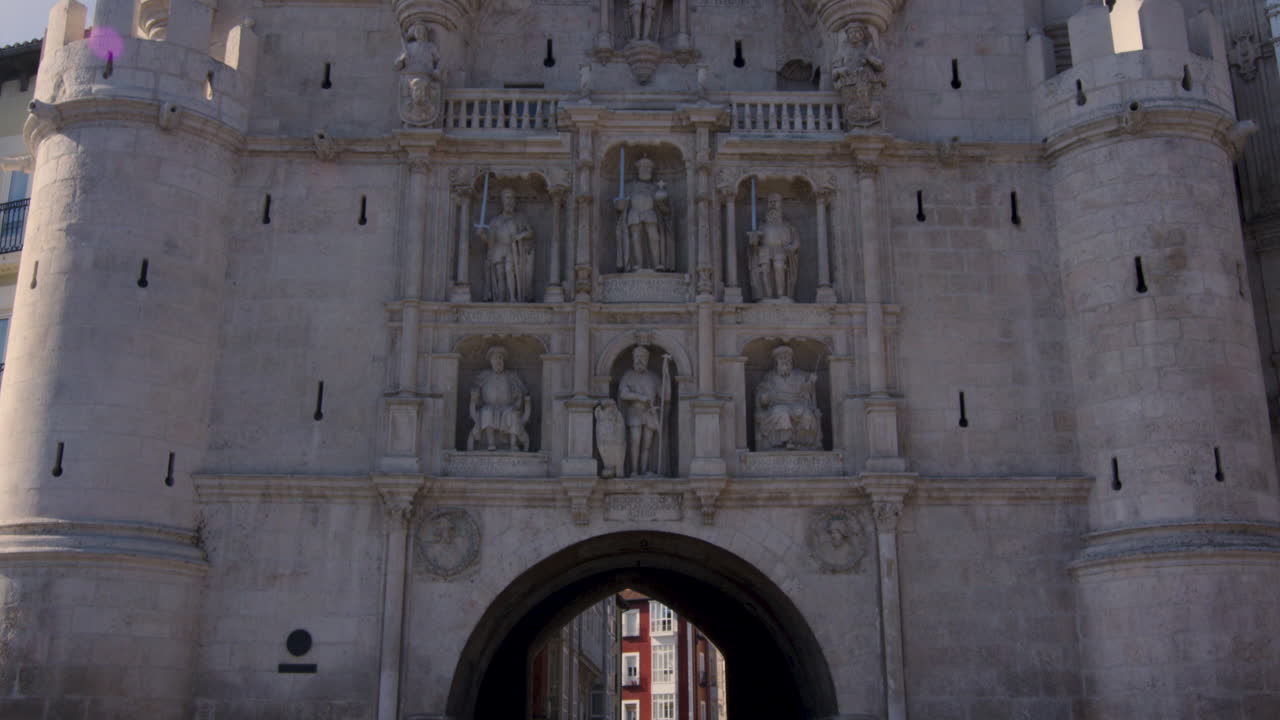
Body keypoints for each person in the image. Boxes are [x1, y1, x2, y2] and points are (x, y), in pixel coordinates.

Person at [755, 345, 822, 450]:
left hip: (797, 405)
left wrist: (811, 382)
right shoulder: (770, 377)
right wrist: (764, 398)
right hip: (777, 406)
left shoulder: (799, 375)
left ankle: (802, 444)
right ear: (776, 363)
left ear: (791, 362)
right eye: (781, 359)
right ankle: (784, 442)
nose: (784, 362)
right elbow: (762, 394)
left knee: (806, 414)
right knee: (782, 412)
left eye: (787, 359)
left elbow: (806, 390)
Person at [614, 157, 673, 272]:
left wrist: (662, 202)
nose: (646, 171)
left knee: (654, 237)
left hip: (650, 213)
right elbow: (620, 204)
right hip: (634, 213)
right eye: (644, 168)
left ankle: (657, 264)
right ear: (638, 170)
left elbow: (664, 208)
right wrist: (619, 204)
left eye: (648, 169)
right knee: (635, 238)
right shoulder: (629, 186)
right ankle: (638, 265)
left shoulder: (655, 187)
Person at [468, 346, 531, 451]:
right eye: (495, 358)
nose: (498, 361)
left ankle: (513, 444)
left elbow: (522, 392)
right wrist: (474, 397)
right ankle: (491, 443)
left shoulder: (511, 376)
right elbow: (475, 390)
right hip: (489, 407)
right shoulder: (484, 376)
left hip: (507, 408)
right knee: (487, 411)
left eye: (500, 358)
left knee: (512, 413)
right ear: (491, 361)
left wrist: (519, 395)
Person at [477, 188, 536, 302]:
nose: (509, 201)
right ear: (502, 201)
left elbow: (531, 233)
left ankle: (513, 298)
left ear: (514, 201)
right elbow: (490, 242)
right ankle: (500, 299)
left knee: (510, 271)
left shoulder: (520, 218)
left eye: (511, 198)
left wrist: (521, 235)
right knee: (500, 274)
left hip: (512, 249)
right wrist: (481, 235)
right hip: (498, 249)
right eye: (507, 198)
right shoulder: (495, 221)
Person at [617, 346, 664, 476]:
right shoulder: (628, 375)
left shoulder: (653, 377)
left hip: (650, 413)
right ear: (633, 359)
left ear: (647, 360)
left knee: (647, 444)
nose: (639, 360)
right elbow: (623, 394)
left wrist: (667, 376)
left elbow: (665, 396)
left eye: (642, 357)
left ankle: (643, 471)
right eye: (637, 357)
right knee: (635, 441)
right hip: (635, 411)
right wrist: (640, 397)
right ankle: (634, 471)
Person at [747, 193, 800, 300]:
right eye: (770, 202)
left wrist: (791, 247)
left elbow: (796, 241)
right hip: (764, 250)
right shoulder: (761, 226)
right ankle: (767, 296)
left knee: (779, 268)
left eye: (775, 202)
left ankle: (781, 295)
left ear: (780, 204)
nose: (772, 205)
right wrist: (754, 239)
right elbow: (754, 244)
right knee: (765, 270)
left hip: (781, 249)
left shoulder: (788, 226)